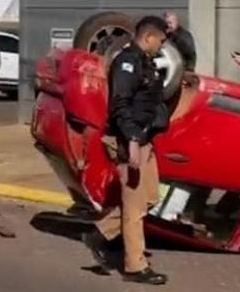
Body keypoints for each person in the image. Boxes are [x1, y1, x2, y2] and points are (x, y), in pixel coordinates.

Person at [82, 16, 170, 286]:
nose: (163, 46)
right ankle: (135, 266)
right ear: (149, 37)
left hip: (144, 138)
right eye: (161, 40)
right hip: (128, 139)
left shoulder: (146, 61)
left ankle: (100, 232)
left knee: (150, 198)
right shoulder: (127, 63)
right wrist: (131, 139)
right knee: (134, 207)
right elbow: (120, 104)